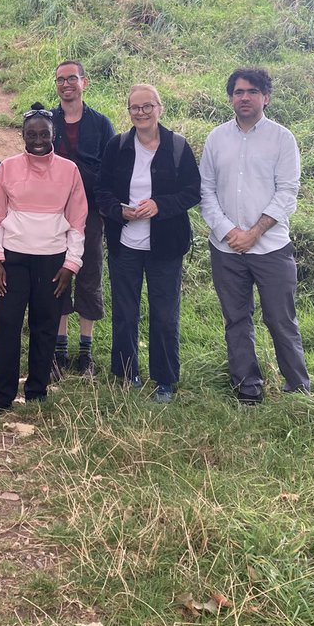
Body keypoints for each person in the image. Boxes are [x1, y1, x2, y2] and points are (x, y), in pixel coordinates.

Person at [200, 67, 311, 404]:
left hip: (271, 249)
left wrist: (254, 232)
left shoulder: (282, 138)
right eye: (237, 91)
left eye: (251, 91)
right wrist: (229, 231)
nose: (244, 97)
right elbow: (206, 190)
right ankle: (247, 388)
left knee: (280, 320)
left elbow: (287, 193)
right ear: (230, 97)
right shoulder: (216, 138)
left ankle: (297, 389)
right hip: (227, 249)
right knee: (236, 319)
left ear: (266, 97)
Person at [96, 84, 201, 403]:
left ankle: (165, 379)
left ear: (160, 107)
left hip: (166, 247)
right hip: (124, 244)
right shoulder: (117, 146)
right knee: (125, 313)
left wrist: (160, 205)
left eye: (147, 106)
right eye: (134, 108)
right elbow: (101, 191)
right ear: (128, 111)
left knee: (165, 314)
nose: (141, 113)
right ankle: (127, 373)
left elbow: (193, 191)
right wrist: (119, 211)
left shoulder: (178, 147)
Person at [0, 104, 88, 414]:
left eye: (44, 134)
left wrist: (71, 264)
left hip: (53, 263)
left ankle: (37, 392)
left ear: (53, 134)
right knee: (8, 326)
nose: (38, 139)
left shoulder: (69, 171)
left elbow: (78, 221)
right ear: (22, 136)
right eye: (31, 134)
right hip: (13, 260)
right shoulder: (8, 168)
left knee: (44, 327)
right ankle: (2, 395)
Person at [50, 60, 115, 375]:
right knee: (58, 274)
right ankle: (59, 348)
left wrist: (104, 207)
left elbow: (112, 167)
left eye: (72, 78)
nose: (66, 84)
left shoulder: (101, 123)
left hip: (90, 211)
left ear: (84, 82)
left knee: (89, 275)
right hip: (53, 213)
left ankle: (85, 352)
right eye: (60, 80)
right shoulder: (48, 120)